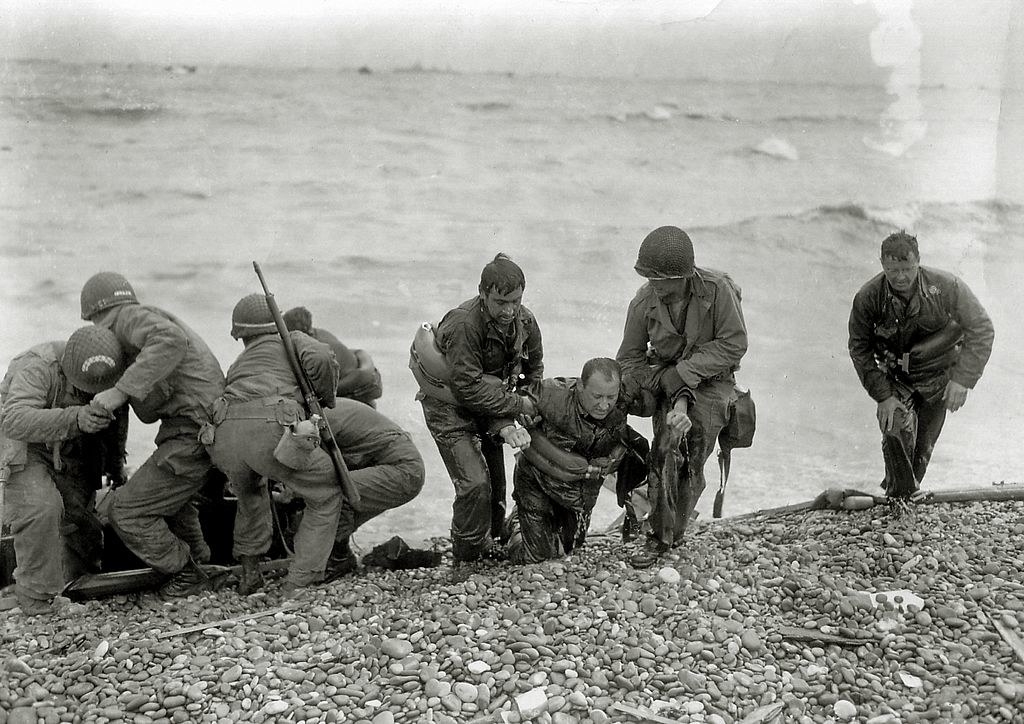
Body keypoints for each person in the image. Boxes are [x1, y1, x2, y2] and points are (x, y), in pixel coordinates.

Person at [211, 294, 424, 595]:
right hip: (272, 426)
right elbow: (323, 358)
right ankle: (299, 583)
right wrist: (323, 399)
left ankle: (249, 576)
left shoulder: (239, 364)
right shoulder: (292, 340)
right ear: (277, 323)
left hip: (224, 434)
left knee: (251, 495)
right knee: (325, 494)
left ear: (240, 335)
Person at [80, 272, 226, 596]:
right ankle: (201, 563)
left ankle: (186, 572)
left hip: (195, 431)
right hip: (198, 429)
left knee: (126, 510)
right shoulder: (138, 330)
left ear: (95, 314)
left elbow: (170, 340)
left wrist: (118, 392)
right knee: (174, 500)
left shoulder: (128, 318)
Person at [616, 226, 748, 567]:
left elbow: (734, 344)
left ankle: (664, 534)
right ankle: (643, 507)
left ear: (685, 276)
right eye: (649, 278)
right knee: (663, 448)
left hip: (712, 382)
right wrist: (665, 379)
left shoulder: (717, 292)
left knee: (688, 450)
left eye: (663, 280)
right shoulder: (644, 301)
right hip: (665, 378)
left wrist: (685, 377)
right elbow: (628, 361)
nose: (655, 286)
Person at [412, 253, 542, 572]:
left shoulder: (524, 321)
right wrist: (514, 408)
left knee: (496, 485)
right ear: (483, 293)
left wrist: (527, 400)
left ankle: (493, 542)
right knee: (473, 484)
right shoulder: (463, 324)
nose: (509, 310)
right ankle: (466, 557)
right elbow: (467, 388)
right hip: (450, 408)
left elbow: (534, 367)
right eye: (501, 302)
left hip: (493, 405)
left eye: (516, 300)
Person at [848, 231, 994, 504]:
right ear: (881, 264)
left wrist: (962, 380)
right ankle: (897, 499)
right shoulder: (868, 297)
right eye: (892, 270)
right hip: (897, 378)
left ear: (919, 261)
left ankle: (904, 497)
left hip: (940, 376)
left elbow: (982, 329)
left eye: (907, 269)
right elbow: (859, 349)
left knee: (922, 451)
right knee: (895, 429)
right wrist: (883, 396)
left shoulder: (946, 286)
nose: (900, 277)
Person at [0, 326, 128, 615]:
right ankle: (36, 598)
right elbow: (15, 420)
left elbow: (119, 416)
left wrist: (116, 463)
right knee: (41, 507)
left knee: (84, 523)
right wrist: (77, 417)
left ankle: (79, 583)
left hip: (69, 448)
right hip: (24, 447)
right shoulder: (37, 366)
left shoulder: (113, 372)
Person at [504, 358, 649, 564]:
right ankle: (517, 522)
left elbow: (654, 393)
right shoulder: (552, 393)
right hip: (537, 482)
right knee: (535, 556)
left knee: (570, 547)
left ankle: (542, 525)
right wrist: (516, 423)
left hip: (578, 493)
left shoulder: (623, 401)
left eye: (611, 397)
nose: (604, 405)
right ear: (580, 386)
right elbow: (512, 402)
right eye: (597, 396)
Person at [282, 306, 384, 407]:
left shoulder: (314, 349)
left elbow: (327, 391)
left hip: (359, 385)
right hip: (362, 375)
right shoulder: (319, 333)